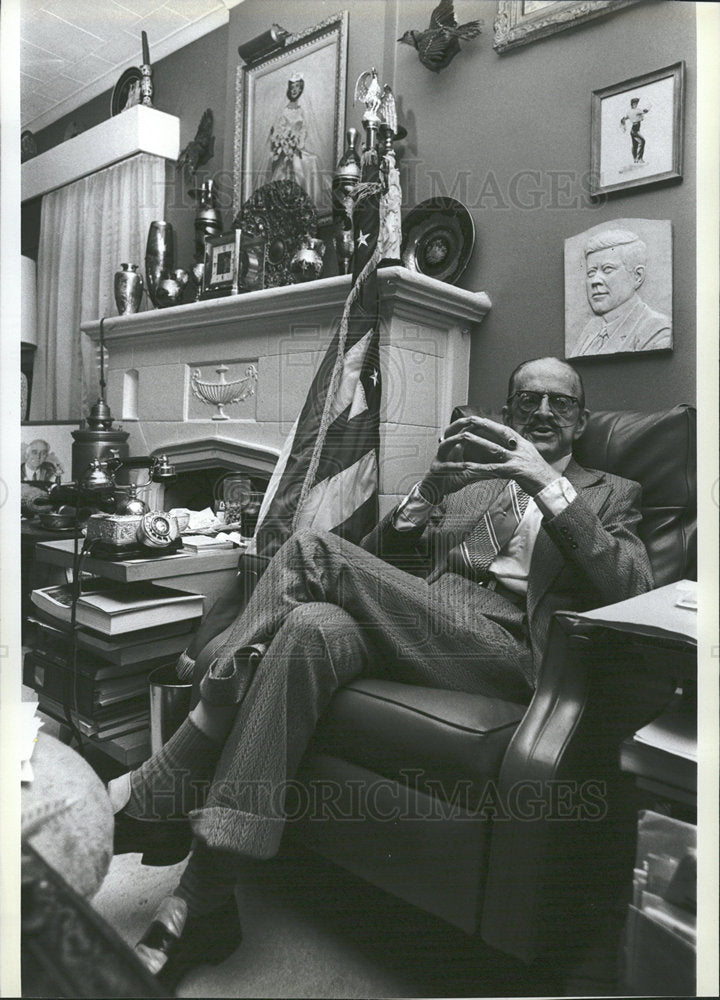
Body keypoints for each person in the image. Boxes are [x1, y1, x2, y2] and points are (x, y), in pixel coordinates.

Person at [108, 357, 653, 988]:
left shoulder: (611, 493)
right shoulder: (473, 484)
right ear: (508, 414)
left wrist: (547, 485)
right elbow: (375, 565)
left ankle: (177, 761)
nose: (544, 413)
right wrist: (426, 494)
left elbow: (633, 588)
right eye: (528, 401)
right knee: (311, 625)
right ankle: (201, 900)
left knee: (312, 550)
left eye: (561, 403)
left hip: (504, 654)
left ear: (582, 422)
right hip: (420, 627)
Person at [571, 229, 672, 357]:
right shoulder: (591, 329)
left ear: (637, 276)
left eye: (607, 269)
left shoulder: (657, 331)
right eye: (591, 272)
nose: (595, 281)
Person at [259, 72, 329, 207]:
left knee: (312, 160)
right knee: (290, 165)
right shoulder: (284, 110)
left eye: (297, 87)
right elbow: (278, 129)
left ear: (301, 88)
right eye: (292, 87)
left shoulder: (302, 110)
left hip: (297, 146)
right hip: (285, 147)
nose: (294, 90)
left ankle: (309, 201)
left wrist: (298, 144)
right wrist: (283, 142)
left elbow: (303, 129)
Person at [620, 96, 651, 164]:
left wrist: (623, 124)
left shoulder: (629, 111)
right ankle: (639, 159)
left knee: (635, 145)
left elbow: (624, 118)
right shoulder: (637, 110)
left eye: (637, 103)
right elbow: (644, 111)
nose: (636, 104)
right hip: (635, 130)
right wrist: (649, 107)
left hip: (633, 130)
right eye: (635, 103)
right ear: (633, 104)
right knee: (642, 142)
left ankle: (635, 159)